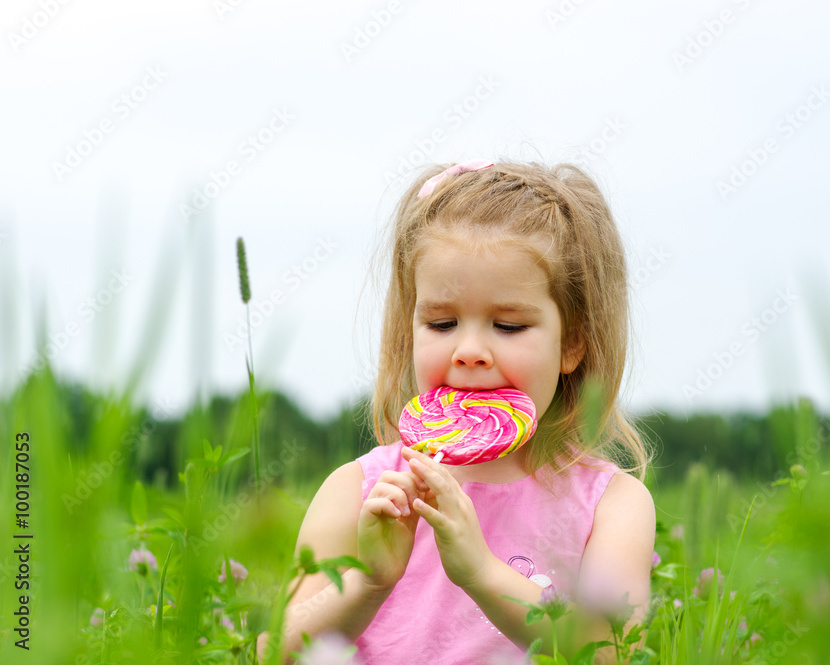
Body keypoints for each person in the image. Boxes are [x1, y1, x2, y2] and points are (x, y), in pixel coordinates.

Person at [257, 160, 656, 664]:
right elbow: (273, 651)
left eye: (508, 326)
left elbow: (612, 651)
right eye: (442, 323)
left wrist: (482, 572)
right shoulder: (362, 489)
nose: (469, 350)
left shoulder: (611, 504)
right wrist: (367, 582)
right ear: (411, 331)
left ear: (572, 343)